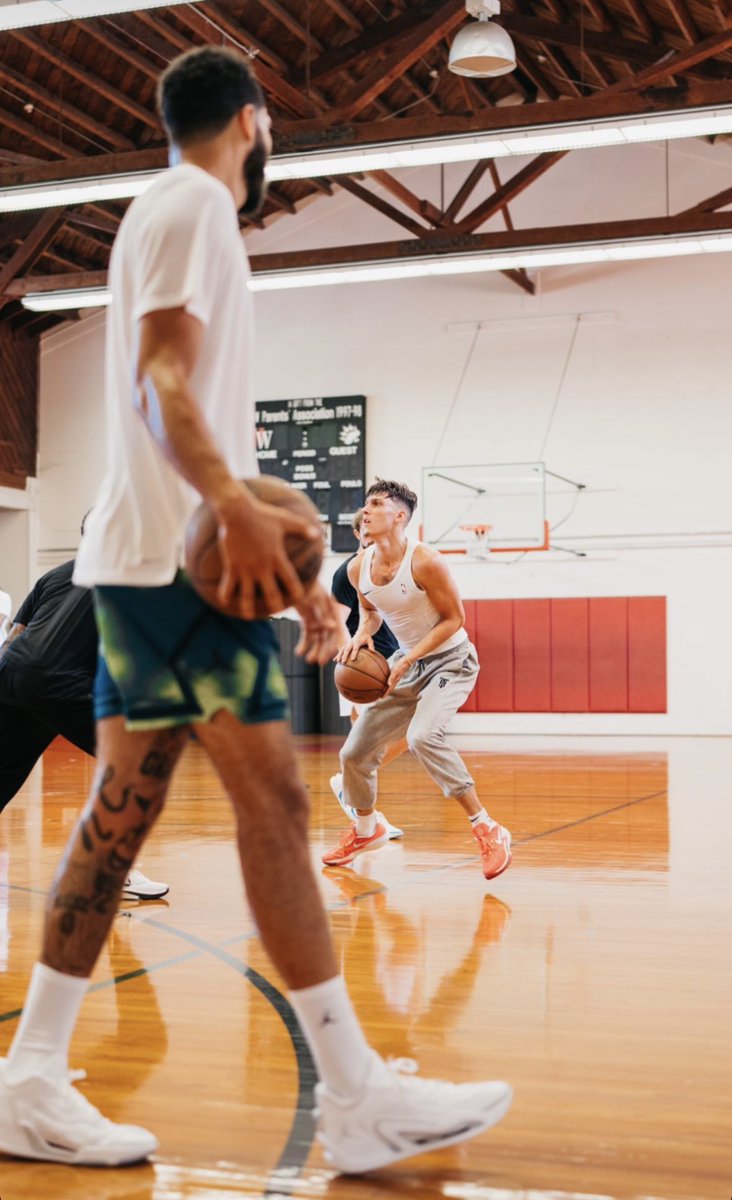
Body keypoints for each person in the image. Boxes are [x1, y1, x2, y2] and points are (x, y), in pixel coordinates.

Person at [0, 48, 511, 1173]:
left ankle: (32, 1076)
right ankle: (355, 1093)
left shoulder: (159, 214)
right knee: (274, 807)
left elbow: (185, 417)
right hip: (175, 574)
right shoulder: (192, 206)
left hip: (138, 569)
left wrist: (302, 585)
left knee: (120, 819)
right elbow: (162, 383)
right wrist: (238, 516)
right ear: (253, 120)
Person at [323, 480, 512, 881]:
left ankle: (486, 827)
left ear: (400, 516)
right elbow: (371, 613)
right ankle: (366, 830)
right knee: (353, 754)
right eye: (367, 504)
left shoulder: (426, 561)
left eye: (376, 504)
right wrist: (361, 636)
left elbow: (454, 620)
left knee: (423, 736)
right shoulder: (359, 567)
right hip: (405, 664)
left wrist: (407, 658)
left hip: (450, 661)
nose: (367, 510)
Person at [0, 553, 167, 901]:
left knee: (4, 771)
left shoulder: (57, 574)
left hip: (12, 674)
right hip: (58, 684)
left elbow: (16, 634)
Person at [330, 508, 405, 839]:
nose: (371, 534)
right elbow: (335, 621)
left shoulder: (393, 566)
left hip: (394, 661)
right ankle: (364, 816)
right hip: (363, 668)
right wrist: (353, 660)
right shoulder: (347, 573)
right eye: (365, 530)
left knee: (404, 737)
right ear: (358, 534)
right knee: (363, 742)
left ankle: (349, 785)